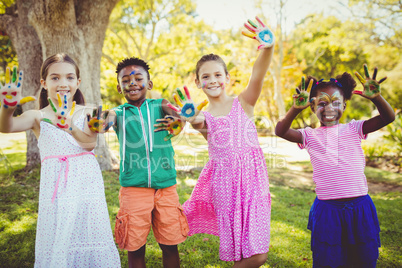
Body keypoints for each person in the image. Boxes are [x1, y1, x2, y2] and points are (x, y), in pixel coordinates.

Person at [0, 53, 121, 267]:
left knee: (88, 230)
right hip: (56, 189)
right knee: (59, 235)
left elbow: (89, 144)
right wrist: (8, 107)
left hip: (87, 185)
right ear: (44, 83)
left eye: (69, 77)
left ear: (78, 82)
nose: (63, 83)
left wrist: (71, 126)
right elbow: (6, 126)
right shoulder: (37, 116)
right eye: (55, 78)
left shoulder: (87, 112)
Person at [275, 65, 395, 267]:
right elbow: (281, 130)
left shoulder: (355, 129)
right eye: (322, 103)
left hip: (360, 208)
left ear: (345, 106)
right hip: (328, 211)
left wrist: (376, 97)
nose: (329, 108)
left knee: (363, 260)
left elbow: (388, 117)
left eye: (335, 103)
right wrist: (295, 108)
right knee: (328, 260)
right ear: (312, 107)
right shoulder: (308, 135)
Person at [179, 16, 274, 268]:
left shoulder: (243, 103)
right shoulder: (205, 118)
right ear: (198, 83)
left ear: (227, 77)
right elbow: (196, 120)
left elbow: (258, 74)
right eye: (205, 77)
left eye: (217, 74)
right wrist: (188, 114)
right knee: (240, 252)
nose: (212, 80)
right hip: (225, 185)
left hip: (253, 182)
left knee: (258, 253)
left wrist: (269, 46)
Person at [104, 57, 189, 268]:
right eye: (126, 80)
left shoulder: (160, 104)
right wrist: (100, 122)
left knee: (170, 245)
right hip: (134, 188)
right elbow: (107, 120)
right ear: (119, 87)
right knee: (135, 247)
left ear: (149, 84)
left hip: (165, 187)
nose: (132, 83)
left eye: (138, 78)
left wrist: (179, 122)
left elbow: (179, 118)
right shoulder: (119, 112)